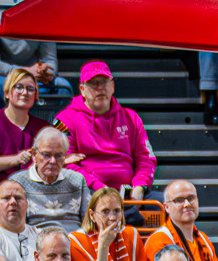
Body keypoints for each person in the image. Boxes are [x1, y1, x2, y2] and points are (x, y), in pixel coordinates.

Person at [55, 60, 157, 200]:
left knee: (163, 202)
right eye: (93, 83)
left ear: (112, 86)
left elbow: (146, 159)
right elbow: (66, 163)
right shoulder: (65, 120)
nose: (100, 88)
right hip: (88, 192)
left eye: (104, 82)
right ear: (82, 89)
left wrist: (139, 187)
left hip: (129, 193)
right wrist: (100, 188)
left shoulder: (132, 118)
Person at [0, 68, 52, 196]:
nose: (25, 93)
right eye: (19, 87)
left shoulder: (43, 127)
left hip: (35, 194)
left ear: (36, 95)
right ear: (7, 93)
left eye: (30, 89)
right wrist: (16, 159)